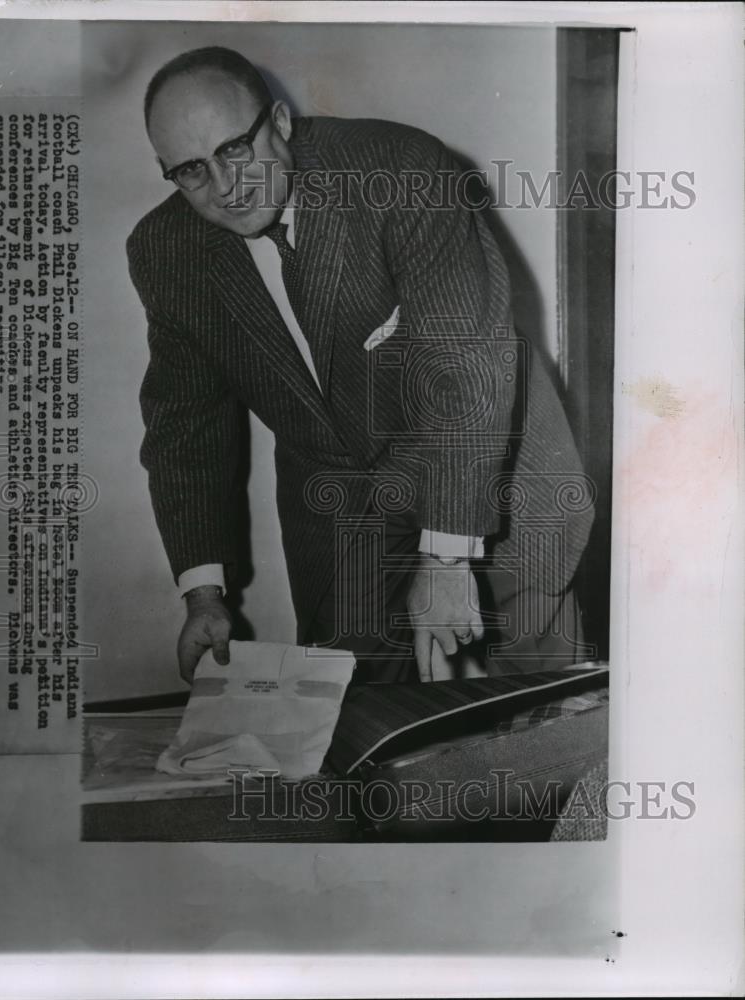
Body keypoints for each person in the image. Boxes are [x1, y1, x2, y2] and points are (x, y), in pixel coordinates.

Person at [127, 46, 595, 686]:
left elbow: (462, 366)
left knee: (531, 711)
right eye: (191, 170)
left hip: (491, 468)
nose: (225, 186)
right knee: (354, 714)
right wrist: (203, 592)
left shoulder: (402, 170)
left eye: (235, 149)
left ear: (282, 123)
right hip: (339, 503)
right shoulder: (165, 250)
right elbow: (186, 426)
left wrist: (449, 559)